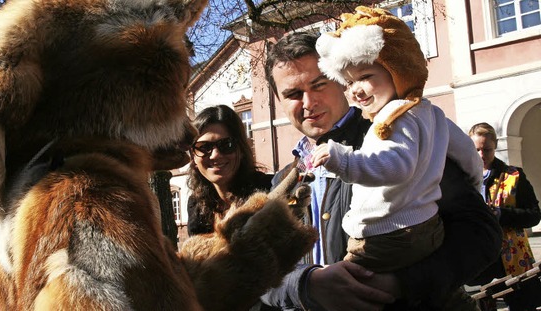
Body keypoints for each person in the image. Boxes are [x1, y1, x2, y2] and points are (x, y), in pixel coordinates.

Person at [260, 26, 501, 311]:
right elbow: (262, 272)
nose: (309, 103)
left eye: (319, 84)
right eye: (293, 94)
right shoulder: (281, 181)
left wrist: (402, 284)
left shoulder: (399, 136)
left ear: (341, 80)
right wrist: (305, 285)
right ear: (278, 101)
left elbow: (481, 234)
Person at [307, 6, 482, 273]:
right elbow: (467, 153)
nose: (356, 90)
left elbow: (396, 165)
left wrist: (342, 160)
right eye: (348, 83)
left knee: (347, 284)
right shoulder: (430, 113)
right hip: (426, 225)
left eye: (366, 77)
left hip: (387, 233)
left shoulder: (393, 116)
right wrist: (475, 181)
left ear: (398, 70)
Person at [467, 122, 541, 311]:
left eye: (487, 150)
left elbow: (534, 216)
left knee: (523, 305)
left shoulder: (514, 175)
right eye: (476, 150)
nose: (482, 156)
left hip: (513, 258)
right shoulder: (464, 178)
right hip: (479, 258)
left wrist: (501, 214)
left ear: (496, 146)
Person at [187, 104, 273, 236]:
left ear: (241, 149)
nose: (215, 155)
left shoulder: (269, 190)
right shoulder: (196, 204)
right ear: (193, 157)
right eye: (203, 147)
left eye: (226, 145)